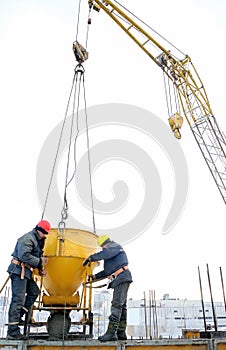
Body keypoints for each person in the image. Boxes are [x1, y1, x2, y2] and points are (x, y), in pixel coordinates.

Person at [6, 220, 51, 340]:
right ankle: (12, 331)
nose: (45, 236)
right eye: (45, 233)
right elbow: (24, 255)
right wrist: (40, 262)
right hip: (18, 270)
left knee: (34, 292)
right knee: (18, 299)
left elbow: (35, 257)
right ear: (39, 230)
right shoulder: (28, 238)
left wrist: (40, 269)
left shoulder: (37, 241)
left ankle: (19, 314)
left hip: (26, 272)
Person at [83, 235, 132, 341]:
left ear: (105, 245)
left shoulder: (114, 247)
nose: (103, 250)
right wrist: (94, 277)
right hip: (121, 278)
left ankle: (111, 333)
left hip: (122, 278)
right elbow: (106, 272)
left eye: (102, 248)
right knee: (121, 307)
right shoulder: (112, 255)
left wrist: (91, 258)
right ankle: (121, 333)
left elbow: (105, 254)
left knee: (116, 305)